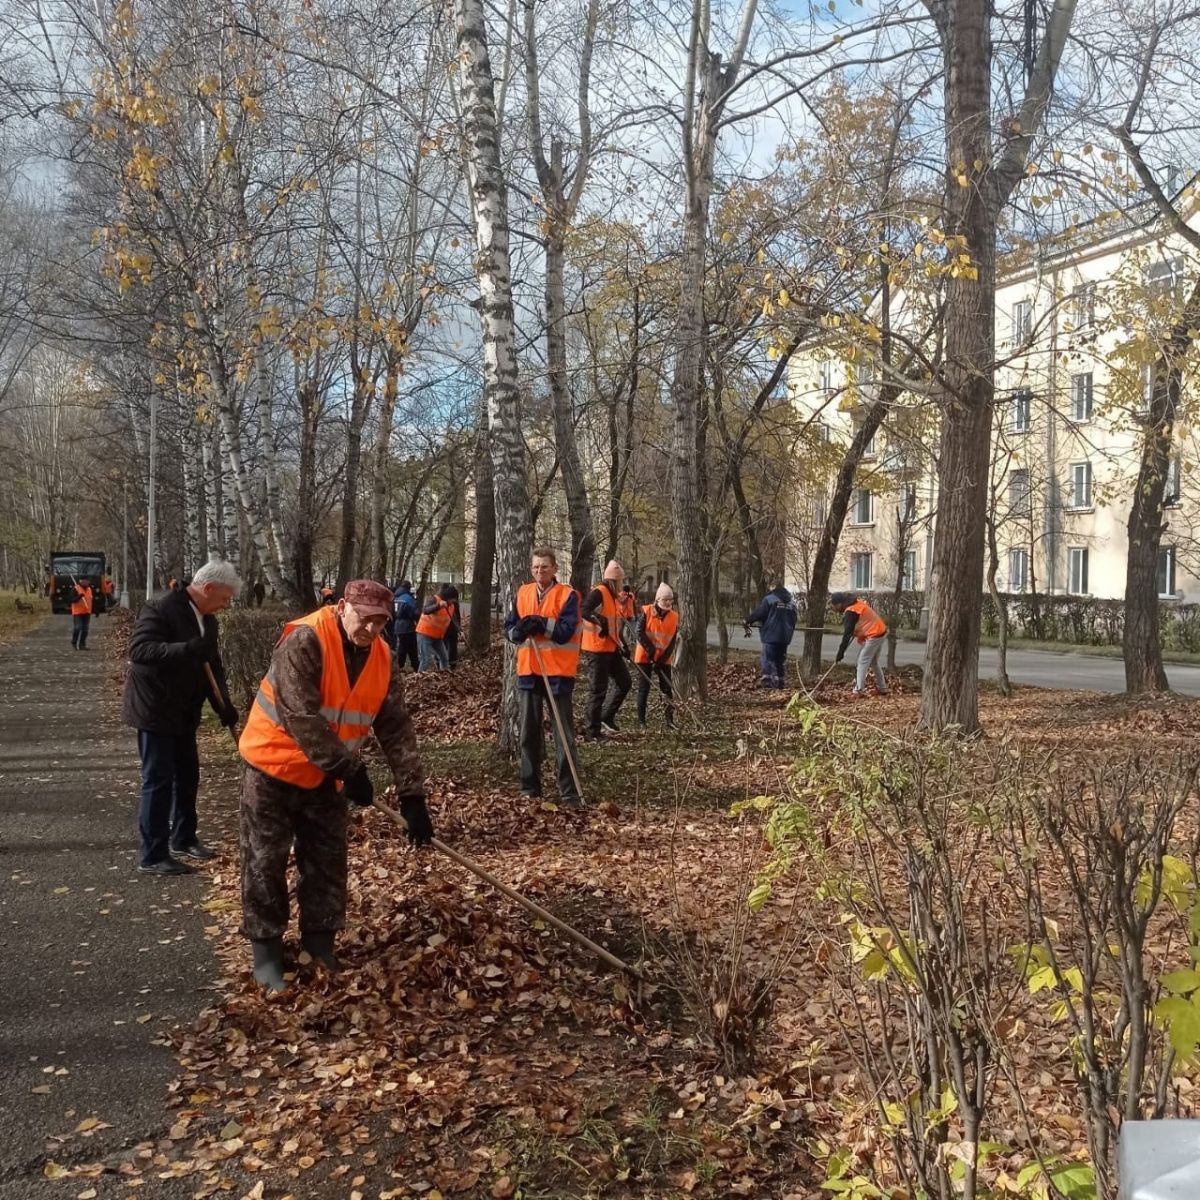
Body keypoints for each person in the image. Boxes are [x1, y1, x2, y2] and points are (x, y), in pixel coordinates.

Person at [237, 579, 432, 992]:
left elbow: (396, 727)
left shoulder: (381, 656)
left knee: (326, 861)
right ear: (343, 606)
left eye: (381, 623)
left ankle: (319, 948)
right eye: (365, 619)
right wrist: (350, 768)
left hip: (328, 778)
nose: (372, 630)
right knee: (264, 861)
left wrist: (412, 795)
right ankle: (267, 956)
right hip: (272, 767)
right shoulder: (305, 640)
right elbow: (301, 715)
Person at [122, 558, 240, 876]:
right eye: (225, 598)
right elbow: (140, 651)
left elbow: (213, 667)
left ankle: (184, 838)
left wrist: (223, 706)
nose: (226, 605)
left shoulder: (208, 619)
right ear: (208, 587)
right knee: (158, 781)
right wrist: (186, 649)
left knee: (188, 776)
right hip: (155, 709)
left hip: (184, 711)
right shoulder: (161, 609)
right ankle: (152, 855)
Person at [504, 549, 582, 807]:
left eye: (545, 567)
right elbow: (510, 629)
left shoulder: (568, 595)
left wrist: (541, 624)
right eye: (536, 567)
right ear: (531, 568)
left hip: (557, 673)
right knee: (528, 733)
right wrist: (519, 630)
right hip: (529, 671)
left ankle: (569, 792)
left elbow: (564, 631)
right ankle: (530, 788)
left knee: (562, 734)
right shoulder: (523, 593)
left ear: (555, 569)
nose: (540, 571)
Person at [635, 583, 678, 728]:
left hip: (663, 659)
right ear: (658, 599)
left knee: (666, 689)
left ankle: (669, 720)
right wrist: (651, 651)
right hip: (644, 656)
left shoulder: (674, 617)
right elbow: (639, 632)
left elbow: (672, 642)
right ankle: (641, 721)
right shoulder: (646, 612)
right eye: (665, 599)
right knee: (644, 688)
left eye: (670, 600)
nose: (668, 602)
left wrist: (661, 660)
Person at [831, 592, 890, 697]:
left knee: (862, 661)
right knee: (874, 661)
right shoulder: (856, 603)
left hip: (874, 634)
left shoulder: (851, 611)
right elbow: (858, 623)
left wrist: (840, 653)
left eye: (834, 606)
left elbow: (847, 635)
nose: (834, 608)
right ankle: (883, 688)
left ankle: (858, 691)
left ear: (839, 604)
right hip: (880, 631)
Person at [746, 582, 798, 689]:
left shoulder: (770, 599)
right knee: (780, 660)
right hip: (785, 637)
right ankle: (780, 682)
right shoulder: (792, 603)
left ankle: (767, 683)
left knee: (767, 659)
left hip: (771, 635)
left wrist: (748, 620)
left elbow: (760, 613)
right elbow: (794, 619)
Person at [416, 585, 453, 671]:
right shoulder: (434, 599)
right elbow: (425, 610)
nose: (453, 601)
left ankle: (445, 676)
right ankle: (419, 680)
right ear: (447, 598)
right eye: (452, 599)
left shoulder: (451, 606)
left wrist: (459, 630)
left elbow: (451, 620)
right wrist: (438, 606)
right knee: (425, 659)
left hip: (437, 636)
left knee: (444, 657)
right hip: (425, 633)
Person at [391, 580, 419, 671]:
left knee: (403, 646)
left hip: (397, 626)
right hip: (407, 626)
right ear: (408, 588)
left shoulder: (395, 597)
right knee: (410, 648)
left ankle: (402, 667)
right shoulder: (408, 598)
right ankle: (409, 666)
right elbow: (414, 613)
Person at [70, 578, 94, 649]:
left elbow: (91, 600)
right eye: (84, 581)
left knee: (85, 629)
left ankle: (82, 644)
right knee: (78, 627)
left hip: (87, 612)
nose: (86, 582)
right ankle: (74, 641)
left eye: (87, 581)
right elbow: (71, 600)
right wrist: (79, 596)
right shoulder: (76, 589)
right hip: (77, 612)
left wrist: (96, 610)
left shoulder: (89, 589)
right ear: (81, 581)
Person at [444, 585, 462, 669]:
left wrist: (459, 628)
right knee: (450, 646)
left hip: (448, 627)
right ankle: (450, 664)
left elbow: (457, 616)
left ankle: (450, 663)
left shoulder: (451, 602)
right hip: (448, 628)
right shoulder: (451, 602)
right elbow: (457, 616)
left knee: (450, 646)